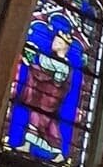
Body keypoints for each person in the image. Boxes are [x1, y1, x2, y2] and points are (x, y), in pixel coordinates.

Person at [13, 21, 77, 157]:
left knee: (42, 122)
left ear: (63, 47)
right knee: (36, 120)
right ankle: (30, 145)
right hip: (40, 95)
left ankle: (56, 152)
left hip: (50, 98)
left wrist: (35, 67)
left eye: (57, 42)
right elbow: (41, 72)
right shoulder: (48, 59)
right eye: (54, 41)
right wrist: (30, 63)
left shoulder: (63, 66)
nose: (54, 44)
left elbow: (57, 82)